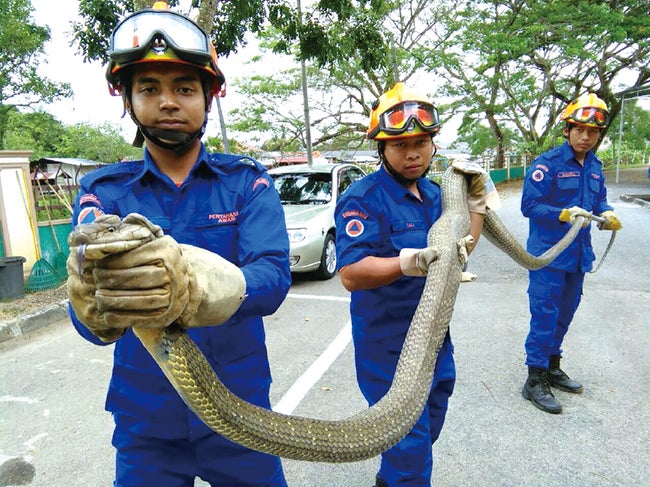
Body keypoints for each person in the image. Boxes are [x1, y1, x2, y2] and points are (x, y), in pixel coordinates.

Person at [66, 2, 291, 485]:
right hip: (147, 425)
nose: (169, 101)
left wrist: (195, 287)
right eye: (149, 88)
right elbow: (90, 324)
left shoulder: (247, 182)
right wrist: (91, 307)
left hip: (242, 412)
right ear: (126, 99)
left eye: (185, 88)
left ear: (210, 96)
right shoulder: (102, 194)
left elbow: (272, 279)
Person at [335, 82, 488, 487]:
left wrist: (475, 205)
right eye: (400, 145)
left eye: (421, 142)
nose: (413, 152)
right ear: (381, 149)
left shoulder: (439, 194)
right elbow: (351, 273)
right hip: (388, 348)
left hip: (436, 339)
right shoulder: (362, 198)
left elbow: (463, 247)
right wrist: (410, 261)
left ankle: (390, 480)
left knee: (430, 421)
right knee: (410, 449)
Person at [520, 93, 622, 414]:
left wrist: (606, 214)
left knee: (565, 314)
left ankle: (552, 365)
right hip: (549, 256)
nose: (586, 137)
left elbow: (599, 200)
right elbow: (530, 206)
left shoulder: (594, 166)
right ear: (567, 130)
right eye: (579, 130)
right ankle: (534, 378)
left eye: (592, 132)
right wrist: (562, 213)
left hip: (578, 256)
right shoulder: (546, 165)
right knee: (545, 315)